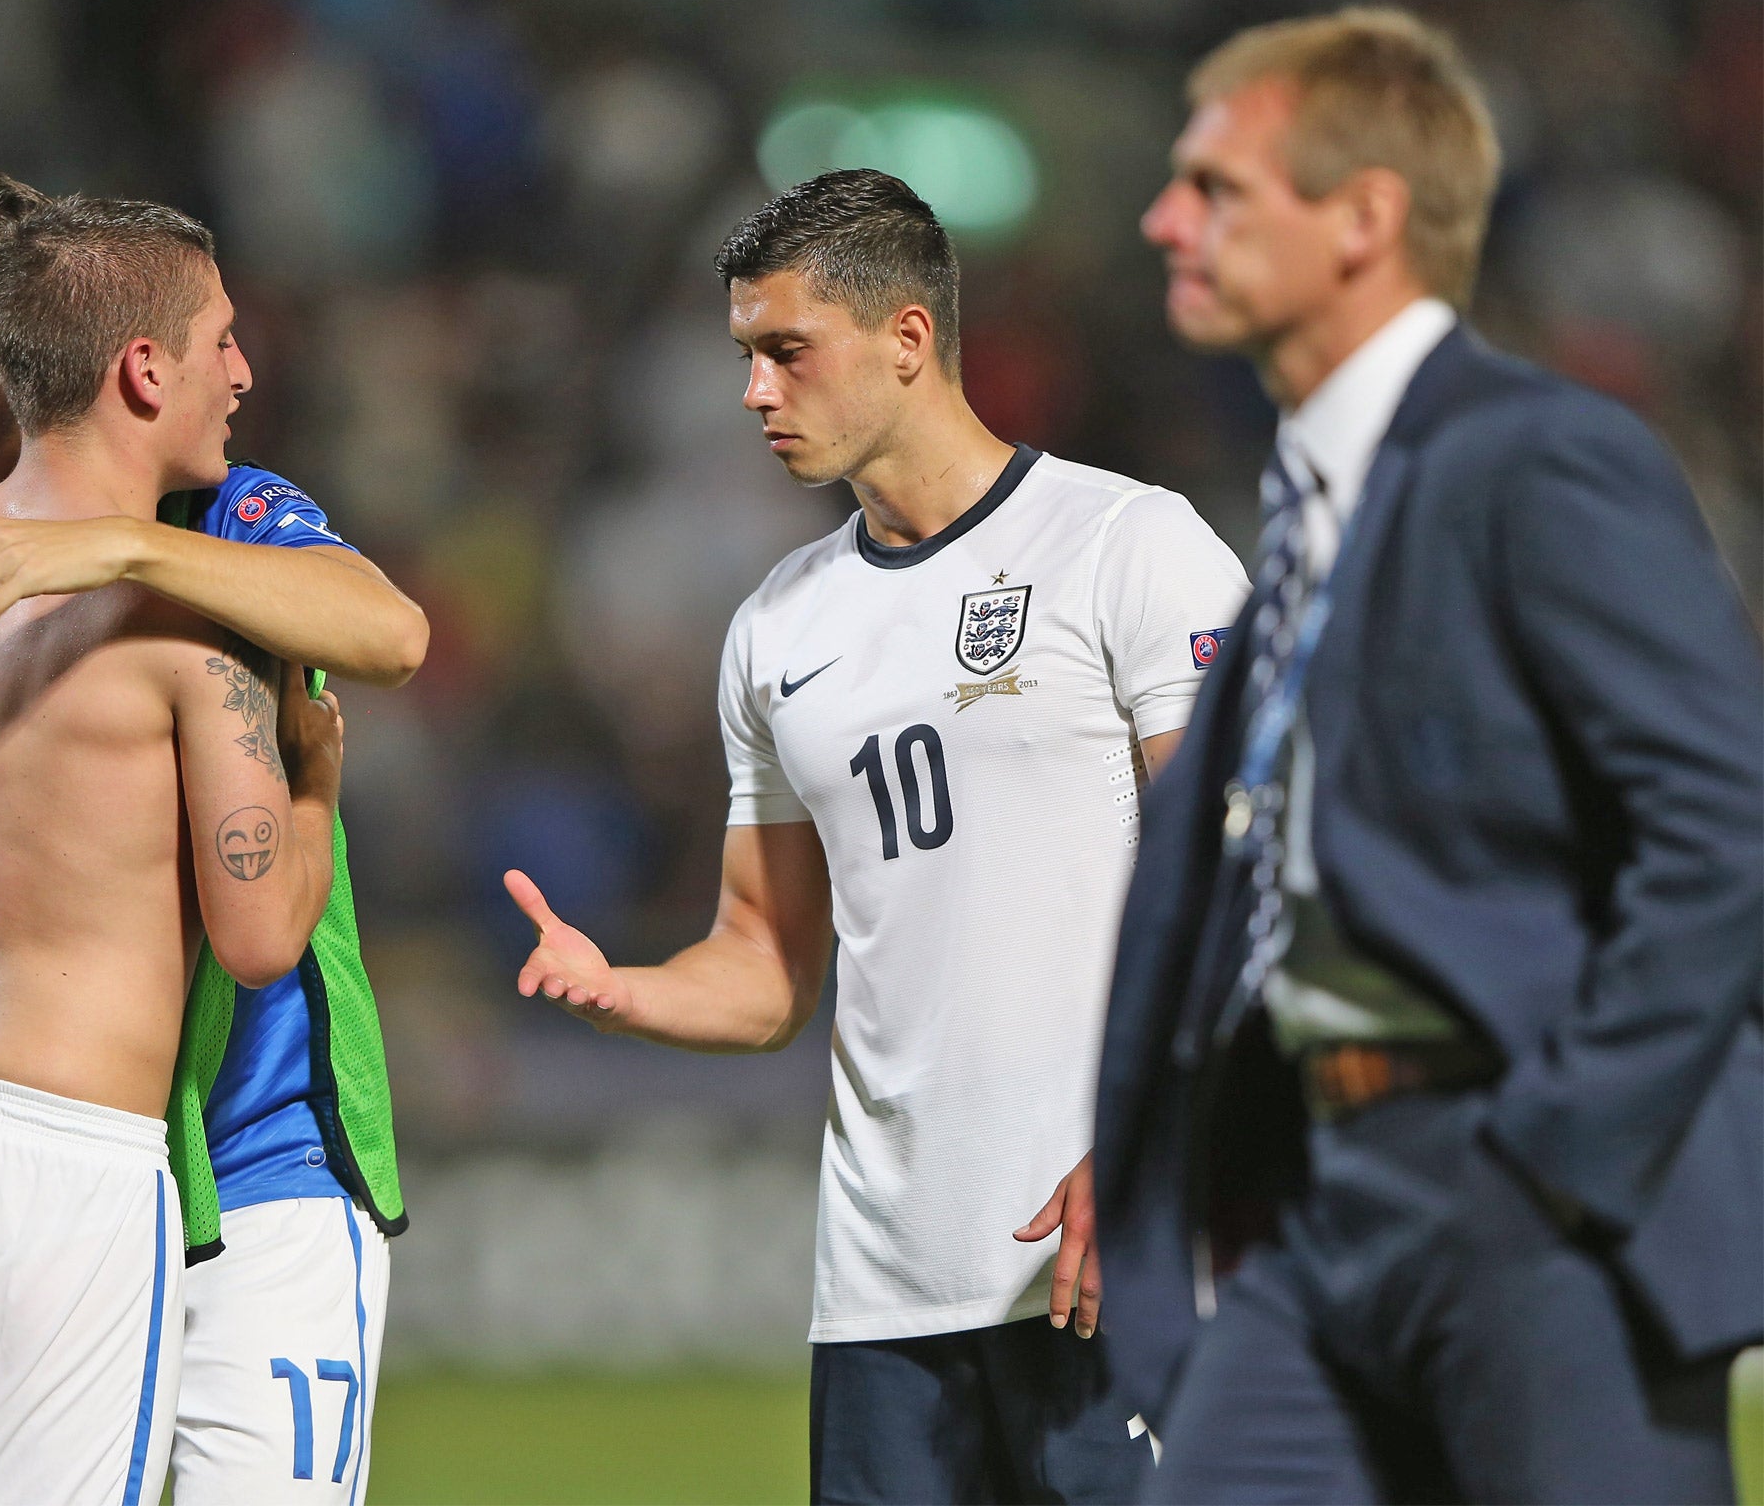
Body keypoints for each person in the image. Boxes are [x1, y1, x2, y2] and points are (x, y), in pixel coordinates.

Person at [1090, 7, 1762, 1504]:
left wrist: (1561, 1157)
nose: (1164, 218)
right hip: (1329, 1192)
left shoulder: (1538, 455)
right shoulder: (1314, 511)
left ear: (1364, 221)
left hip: (1527, 1188)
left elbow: (1726, 827)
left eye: (1217, 189)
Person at [503, 169, 1248, 1504]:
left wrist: (1154, 1138)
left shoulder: (1130, 548)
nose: (753, 395)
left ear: (908, 340)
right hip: (884, 1303)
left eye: (786, 351)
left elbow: (1229, 884)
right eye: (745, 357)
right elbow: (765, 965)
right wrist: (625, 987)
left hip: (1112, 1256)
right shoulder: (778, 631)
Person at [0, 174, 420, 1502]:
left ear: (22, 333)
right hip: (65, 1153)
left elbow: (386, 628)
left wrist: (121, 546)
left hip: (260, 1158)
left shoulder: (213, 522)